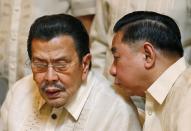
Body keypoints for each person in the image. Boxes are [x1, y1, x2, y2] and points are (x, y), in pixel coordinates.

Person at [0, 14, 141, 131]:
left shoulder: (115, 111)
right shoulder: (18, 93)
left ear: (85, 64)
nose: (50, 77)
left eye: (61, 65)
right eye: (40, 64)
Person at [110, 11, 191, 131]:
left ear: (148, 56)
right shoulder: (153, 100)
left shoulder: (187, 94)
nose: (112, 70)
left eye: (117, 57)